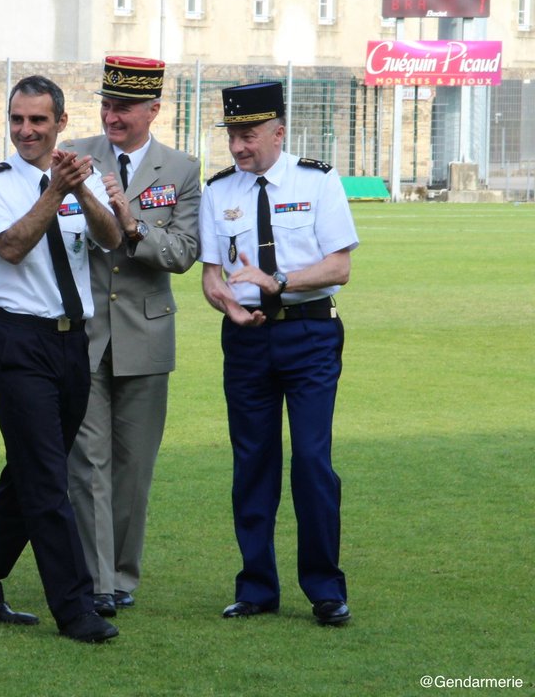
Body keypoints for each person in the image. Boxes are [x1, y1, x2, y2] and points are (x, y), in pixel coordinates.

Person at [0, 74, 122, 643]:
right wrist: (55, 191)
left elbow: (110, 239)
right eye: (17, 120)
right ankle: (75, 608)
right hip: (17, 340)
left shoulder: (84, 172)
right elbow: (10, 246)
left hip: (73, 339)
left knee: (27, 474)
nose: (26, 131)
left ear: (61, 123)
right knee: (49, 477)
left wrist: (82, 192)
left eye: (37, 121)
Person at [199, 81, 358, 626]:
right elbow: (212, 276)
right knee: (253, 463)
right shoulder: (220, 191)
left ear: (278, 131)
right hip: (246, 339)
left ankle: (325, 589)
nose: (239, 147)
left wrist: (279, 280)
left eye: (248, 135)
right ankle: (257, 587)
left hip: (309, 334)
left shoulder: (317, 180)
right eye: (233, 136)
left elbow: (339, 267)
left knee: (312, 461)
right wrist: (227, 304)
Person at [61, 57, 200, 616]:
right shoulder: (73, 155)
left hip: (146, 336)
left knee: (133, 467)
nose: (112, 116)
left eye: (124, 107)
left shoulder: (181, 169)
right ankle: (98, 582)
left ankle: (122, 574)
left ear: (153, 111)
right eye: (107, 105)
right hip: (84, 332)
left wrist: (133, 221)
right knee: (86, 462)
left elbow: (184, 253)